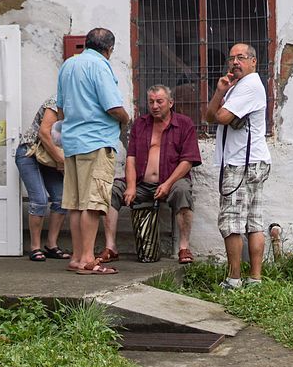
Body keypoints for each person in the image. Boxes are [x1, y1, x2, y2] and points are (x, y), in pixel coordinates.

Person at [56, 27, 130, 274]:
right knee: (93, 203)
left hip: (73, 142)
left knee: (76, 204)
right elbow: (112, 106)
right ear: (109, 49)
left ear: (86, 44)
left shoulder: (68, 65)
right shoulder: (100, 66)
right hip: (96, 141)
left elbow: (60, 110)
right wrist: (125, 118)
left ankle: (77, 257)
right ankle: (88, 259)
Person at [107, 85, 202, 263]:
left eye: (160, 101)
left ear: (170, 103)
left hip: (172, 181)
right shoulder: (140, 124)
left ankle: (184, 248)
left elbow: (188, 161)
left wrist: (167, 184)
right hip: (142, 183)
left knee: (182, 190)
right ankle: (110, 247)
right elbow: (131, 158)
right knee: (112, 190)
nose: (155, 106)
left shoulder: (184, 124)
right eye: (151, 102)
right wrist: (132, 185)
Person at [204, 42, 271, 289]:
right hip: (252, 160)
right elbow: (209, 117)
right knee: (253, 220)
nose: (235, 62)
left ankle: (234, 279)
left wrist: (221, 102)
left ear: (253, 61)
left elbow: (220, 117)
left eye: (241, 57)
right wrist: (220, 90)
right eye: (232, 58)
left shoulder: (250, 85)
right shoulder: (237, 87)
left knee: (231, 222)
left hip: (241, 163)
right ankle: (254, 279)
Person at [14, 98, 72, 262]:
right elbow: (44, 134)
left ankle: (51, 246)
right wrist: (61, 162)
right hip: (29, 153)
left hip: (50, 157)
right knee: (39, 200)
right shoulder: (56, 101)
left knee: (61, 199)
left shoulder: (79, 105)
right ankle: (34, 247)